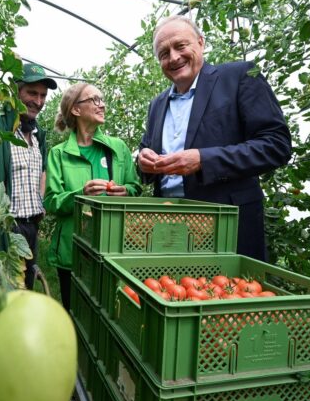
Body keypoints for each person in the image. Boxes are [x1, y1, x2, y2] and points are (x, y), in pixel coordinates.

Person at [136, 15, 292, 261]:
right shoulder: (157, 104)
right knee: (175, 291)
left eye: (180, 46)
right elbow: (146, 152)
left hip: (226, 226)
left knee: (229, 293)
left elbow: (276, 145)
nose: (174, 57)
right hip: (170, 227)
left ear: (200, 42)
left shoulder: (239, 76)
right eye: (164, 54)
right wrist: (143, 160)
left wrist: (203, 160)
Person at [44, 83, 142, 310]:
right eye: (94, 100)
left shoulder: (117, 148)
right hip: (72, 249)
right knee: (75, 312)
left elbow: (135, 187)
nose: (102, 104)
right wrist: (81, 195)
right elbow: (51, 201)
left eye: (102, 99)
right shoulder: (59, 154)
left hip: (112, 247)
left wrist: (126, 190)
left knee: (108, 312)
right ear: (76, 110)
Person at [0, 63, 57, 289]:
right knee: (1, 291)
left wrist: (40, 201)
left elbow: (42, 169)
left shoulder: (39, 136)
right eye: (32, 93)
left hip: (31, 229)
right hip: (3, 230)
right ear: (15, 92)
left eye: (43, 95)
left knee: (25, 291)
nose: (38, 101)